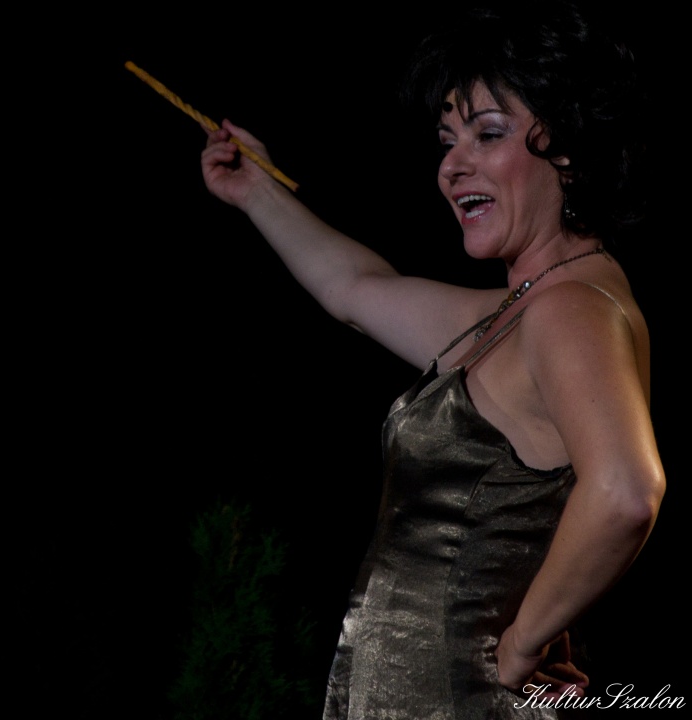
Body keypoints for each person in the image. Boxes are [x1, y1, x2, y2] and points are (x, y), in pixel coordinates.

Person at [198, 2, 660, 718]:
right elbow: (356, 289)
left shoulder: (571, 310)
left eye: (488, 134)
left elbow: (627, 492)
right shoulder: (522, 310)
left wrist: (522, 644)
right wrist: (255, 189)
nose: (451, 166)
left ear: (568, 149)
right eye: (448, 141)